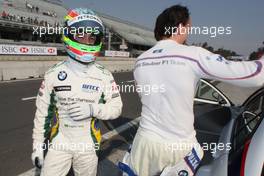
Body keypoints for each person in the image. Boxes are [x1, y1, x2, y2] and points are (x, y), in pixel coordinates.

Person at [123, 5, 264, 176]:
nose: (188, 33)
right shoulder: (192, 54)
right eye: (188, 28)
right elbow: (256, 76)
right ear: (181, 27)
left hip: (144, 142)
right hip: (177, 146)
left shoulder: (141, 60)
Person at [31, 8, 123, 176]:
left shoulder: (104, 75)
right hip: (60, 141)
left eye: (92, 37)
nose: (87, 41)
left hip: (88, 144)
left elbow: (117, 108)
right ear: (69, 35)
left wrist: (93, 109)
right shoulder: (53, 74)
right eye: (81, 35)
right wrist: (37, 146)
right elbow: (42, 113)